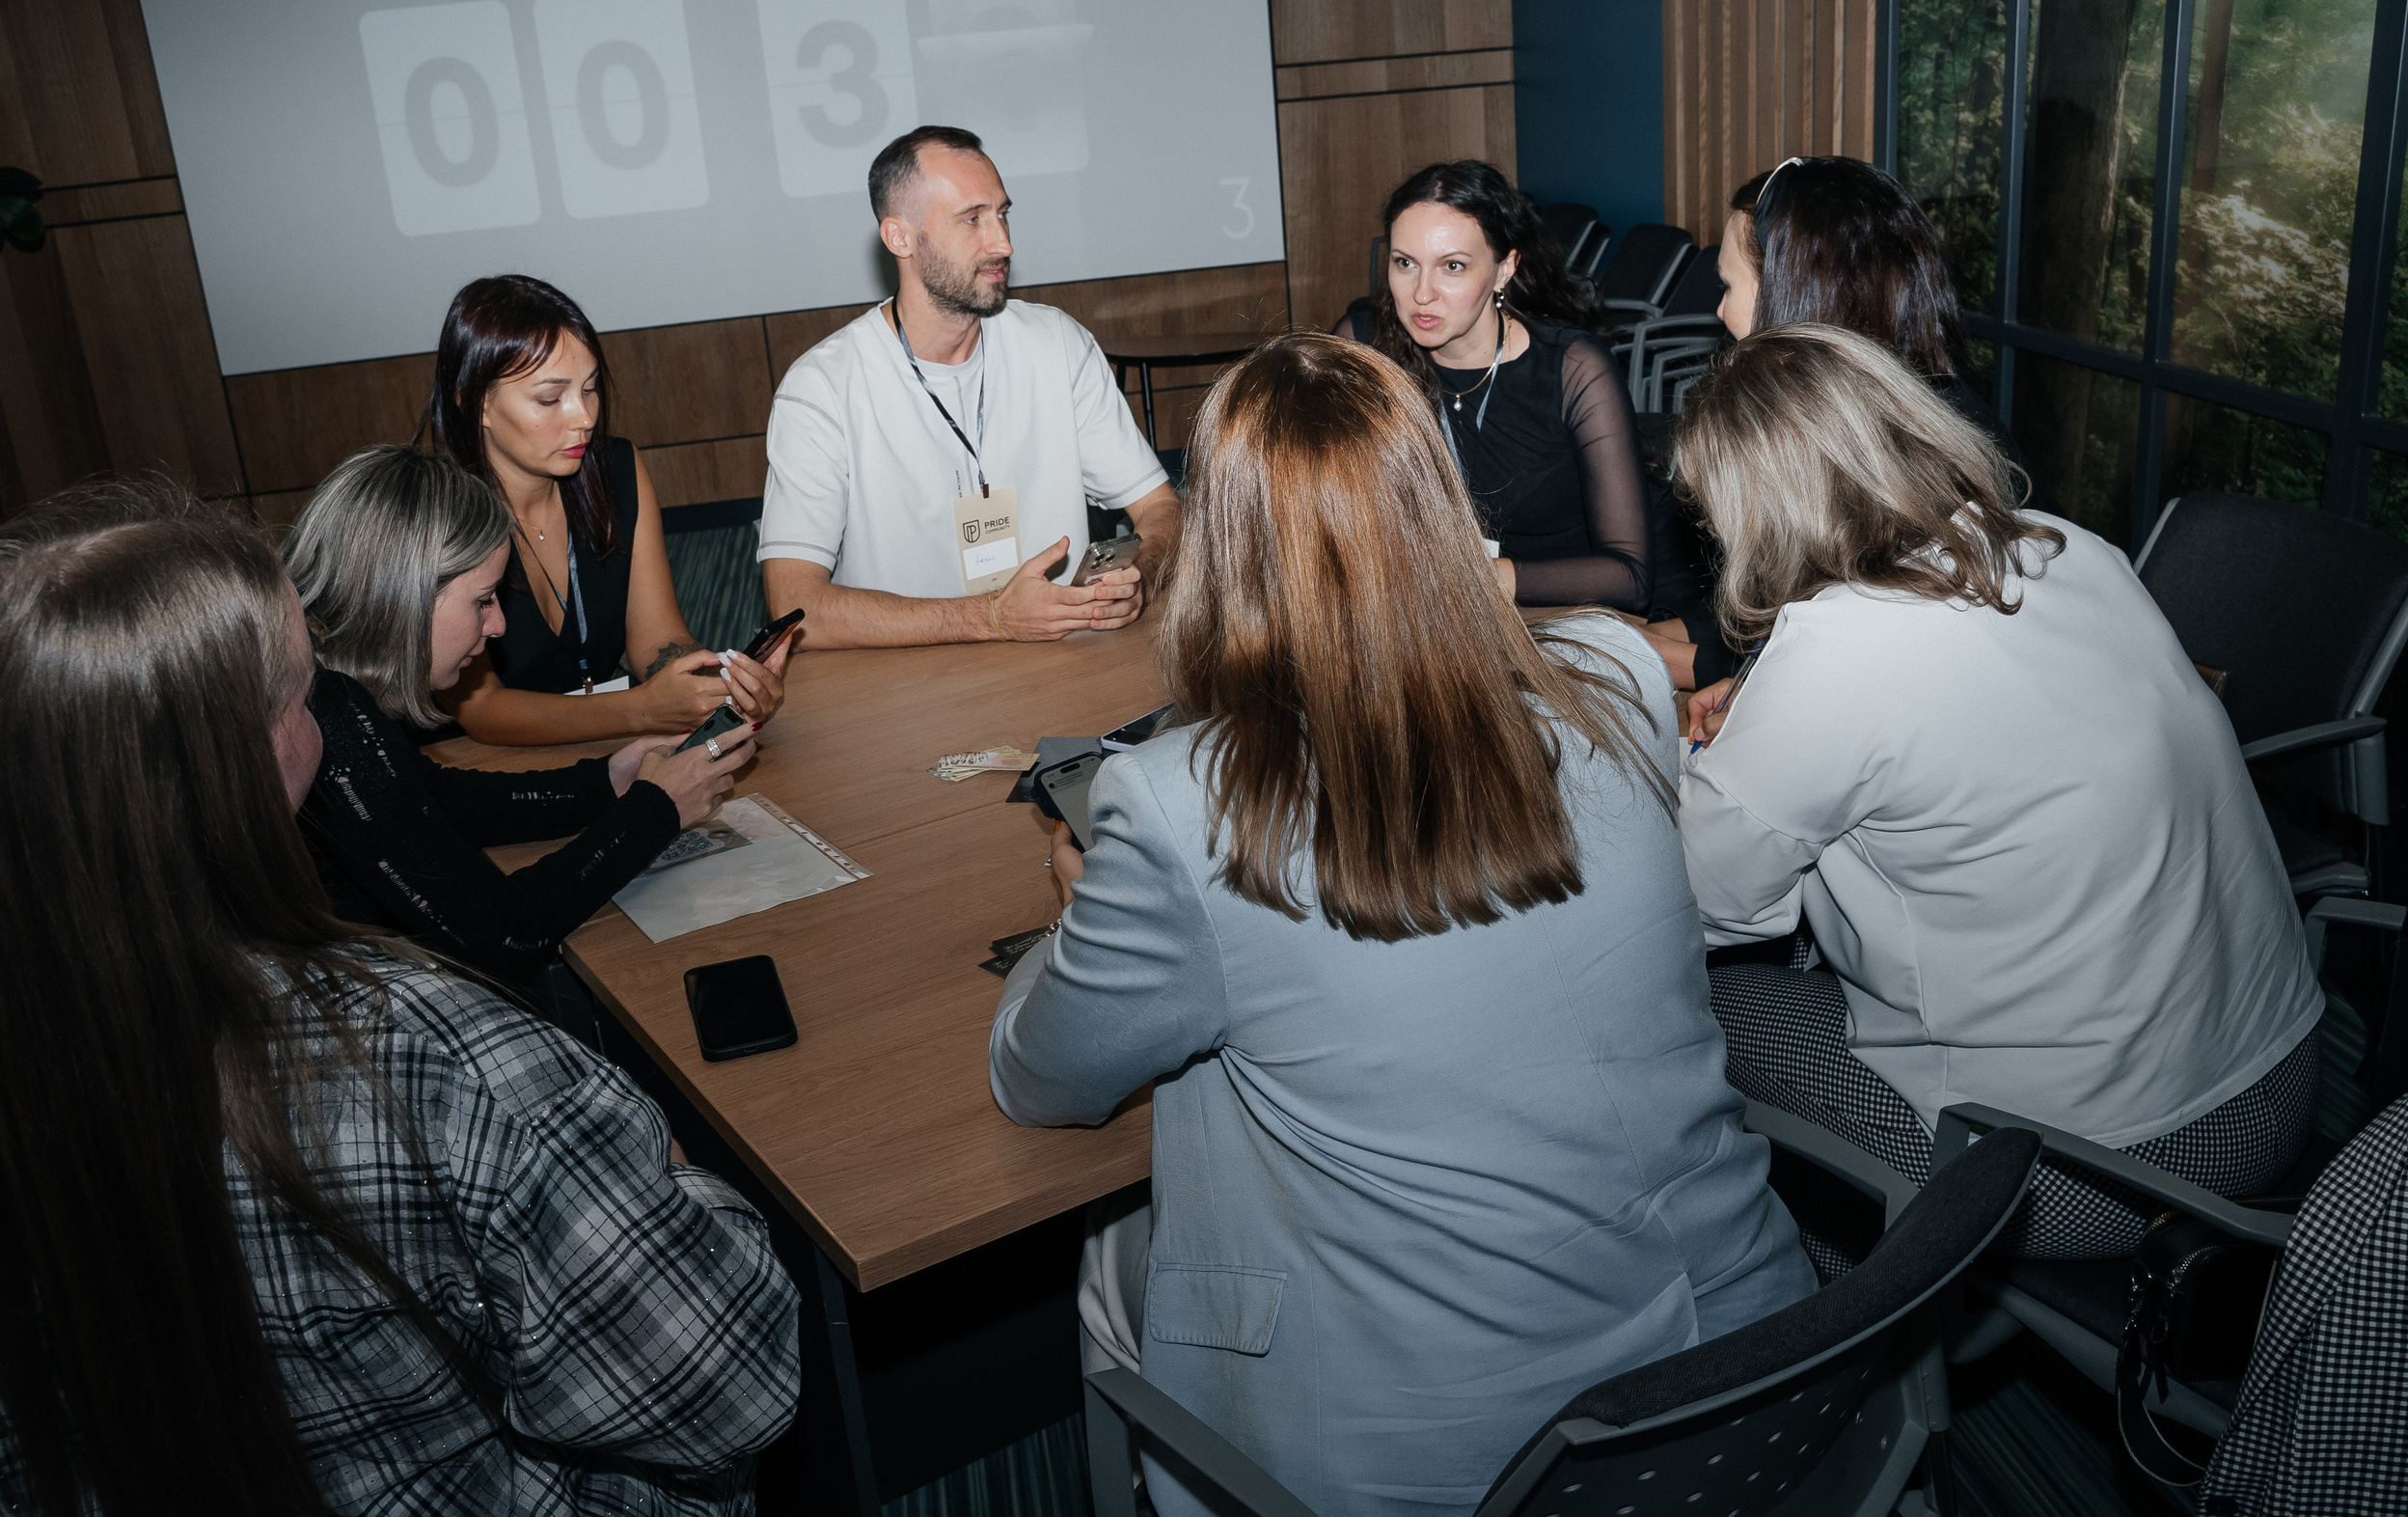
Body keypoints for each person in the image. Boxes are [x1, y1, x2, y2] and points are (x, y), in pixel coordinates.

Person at [988, 333, 1812, 1516]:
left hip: (1458, 1463)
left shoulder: (1176, 805)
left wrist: (1078, 924)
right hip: (1754, 1362)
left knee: (1117, 1266)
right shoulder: (1618, 674)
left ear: (1225, 551)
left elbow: (1044, 1082)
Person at [0, 482, 800, 1514]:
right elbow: (732, 1381)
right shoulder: (439, 1061)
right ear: (230, 765)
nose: (326, 726)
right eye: (304, 700)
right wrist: (660, 1157)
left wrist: (602, 782)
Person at [1674, 325, 2324, 1260]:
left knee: (1690, 1002)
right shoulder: (2061, 549)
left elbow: (1698, 905)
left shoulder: (1837, 655)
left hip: (2099, 1166)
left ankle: (1828, 1319)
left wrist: (1702, 766)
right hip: (2284, 1070)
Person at [284, 445, 773, 983]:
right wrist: (655, 811)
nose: (496, 627)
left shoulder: (326, 685)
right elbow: (505, 933)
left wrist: (605, 782)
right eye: (483, 600)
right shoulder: (324, 721)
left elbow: (431, 801)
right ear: (405, 595)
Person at [757, 125, 1183, 648]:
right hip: (905, 694)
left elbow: (1161, 509)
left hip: (1061, 664)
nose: (1003, 242)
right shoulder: (822, 390)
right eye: (972, 219)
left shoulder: (1057, 345)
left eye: (1002, 214)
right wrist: (991, 617)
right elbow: (796, 605)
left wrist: (1140, 577)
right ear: (900, 237)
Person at [422, 274, 780, 745]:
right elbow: (482, 707)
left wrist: (716, 685)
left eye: (590, 389)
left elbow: (658, 644)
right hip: (474, 767)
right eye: (551, 398)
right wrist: (643, 709)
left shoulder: (616, 469)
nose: (584, 417)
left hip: (608, 747)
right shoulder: (435, 514)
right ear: (474, 404)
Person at [1333, 159, 1652, 609]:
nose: (1422, 293)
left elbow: (1629, 577)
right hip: (1417, 616)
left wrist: (1473, 580)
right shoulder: (1364, 346)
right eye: (1405, 263)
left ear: (1504, 269)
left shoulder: (1573, 369)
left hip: (1554, 617)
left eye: (1453, 267)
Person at [1716, 155, 2040, 497]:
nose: (1721, 311)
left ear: (1792, 296)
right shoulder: (1927, 415)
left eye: (1727, 286)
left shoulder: (1876, 479)